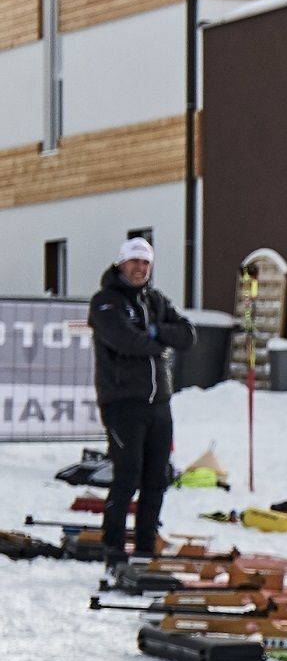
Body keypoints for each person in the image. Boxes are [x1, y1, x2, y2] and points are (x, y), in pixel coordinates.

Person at [87, 233, 192, 569]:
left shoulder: (155, 300)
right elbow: (124, 341)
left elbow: (188, 335)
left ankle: (146, 546)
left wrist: (153, 332)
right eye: (134, 261)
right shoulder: (105, 301)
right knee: (127, 475)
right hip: (122, 403)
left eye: (145, 262)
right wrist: (158, 338)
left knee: (156, 477)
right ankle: (113, 547)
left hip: (158, 403)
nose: (140, 268)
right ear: (121, 263)